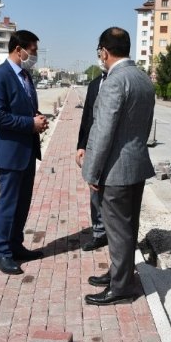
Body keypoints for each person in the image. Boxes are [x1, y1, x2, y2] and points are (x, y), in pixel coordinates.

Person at [82, 27, 156, 306]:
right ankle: (118, 273)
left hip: (115, 170)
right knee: (127, 228)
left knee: (118, 230)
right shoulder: (142, 79)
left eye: (99, 51)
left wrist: (93, 171)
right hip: (135, 165)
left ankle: (122, 287)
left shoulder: (115, 80)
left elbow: (103, 131)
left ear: (103, 50)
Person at [0, 30, 49, 275]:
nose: (34, 55)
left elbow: (25, 108)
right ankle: (2, 254)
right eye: (32, 50)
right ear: (18, 49)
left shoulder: (26, 76)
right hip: (9, 153)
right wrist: (29, 124)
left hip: (26, 151)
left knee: (23, 204)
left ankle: (15, 245)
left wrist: (38, 118)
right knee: (8, 204)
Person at [76, 71, 108, 251]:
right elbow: (87, 117)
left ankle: (114, 234)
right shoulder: (95, 83)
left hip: (114, 148)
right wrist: (81, 145)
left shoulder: (119, 80)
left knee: (112, 194)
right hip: (93, 146)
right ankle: (99, 232)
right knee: (94, 191)